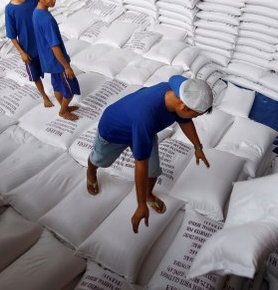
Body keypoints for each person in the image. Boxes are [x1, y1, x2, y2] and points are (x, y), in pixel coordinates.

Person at [86, 75, 213, 233]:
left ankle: (148, 194)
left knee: (153, 171)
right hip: (114, 130)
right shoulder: (145, 117)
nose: (193, 118)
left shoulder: (181, 90)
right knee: (100, 160)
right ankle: (91, 171)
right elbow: (141, 164)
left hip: (144, 129)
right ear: (183, 107)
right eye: (195, 115)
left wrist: (198, 147)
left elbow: (185, 120)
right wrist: (140, 206)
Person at [4, 0, 71, 108]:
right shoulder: (10, 10)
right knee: (35, 75)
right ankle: (45, 97)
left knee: (55, 69)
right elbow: (12, 35)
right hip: (29, 48)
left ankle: (61, 97)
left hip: (44, 46)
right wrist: (22, 52)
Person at [33, 0, 81, 121]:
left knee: (58, 86)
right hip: (57, 61)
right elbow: (54, 46)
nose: (53, 1)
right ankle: (63, 111)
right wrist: (66, 66)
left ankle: (63, 107)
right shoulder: (47, 19)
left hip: (47, 59)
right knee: (70, 88)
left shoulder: (36, 13)